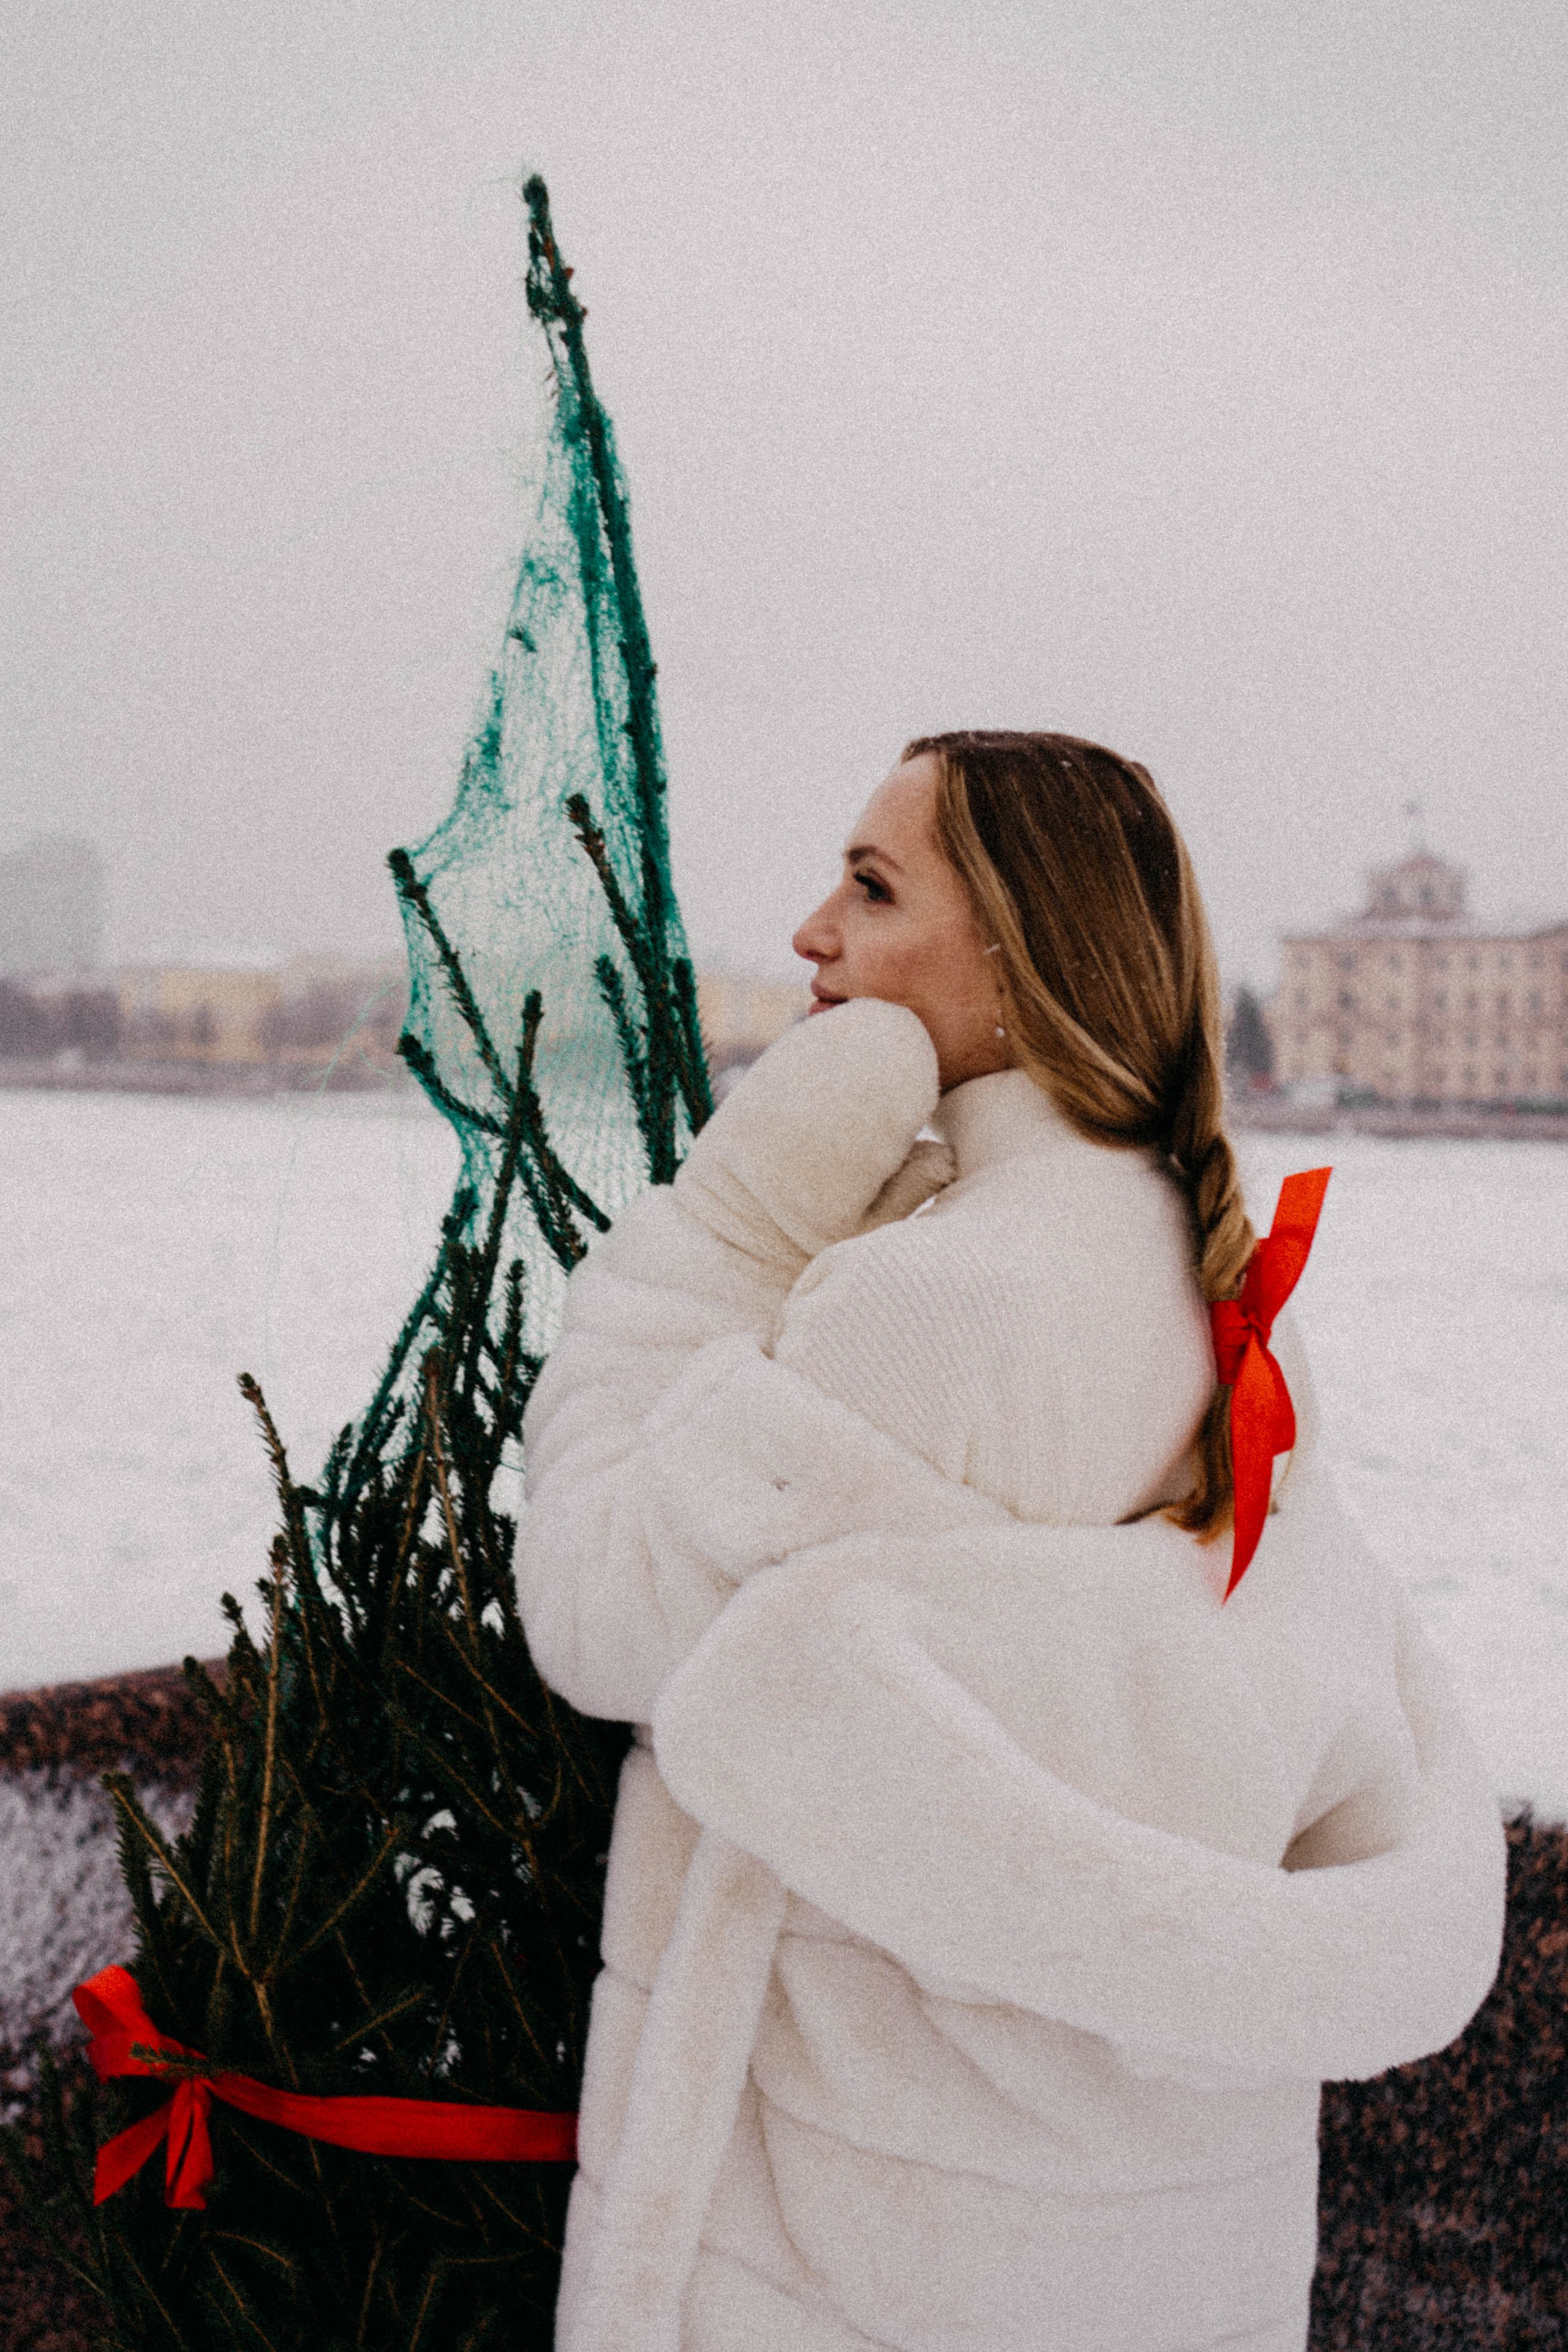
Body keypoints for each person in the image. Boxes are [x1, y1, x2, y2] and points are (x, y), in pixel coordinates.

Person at [514, 732, 1506, 2352]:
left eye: (873, 887)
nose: (812, 932)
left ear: (1021, 950)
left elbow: (597, 1608)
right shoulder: (1234, 1308)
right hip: (1157, 2266)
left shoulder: (927, 1303)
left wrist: (727, 1236)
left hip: (852, 2272)